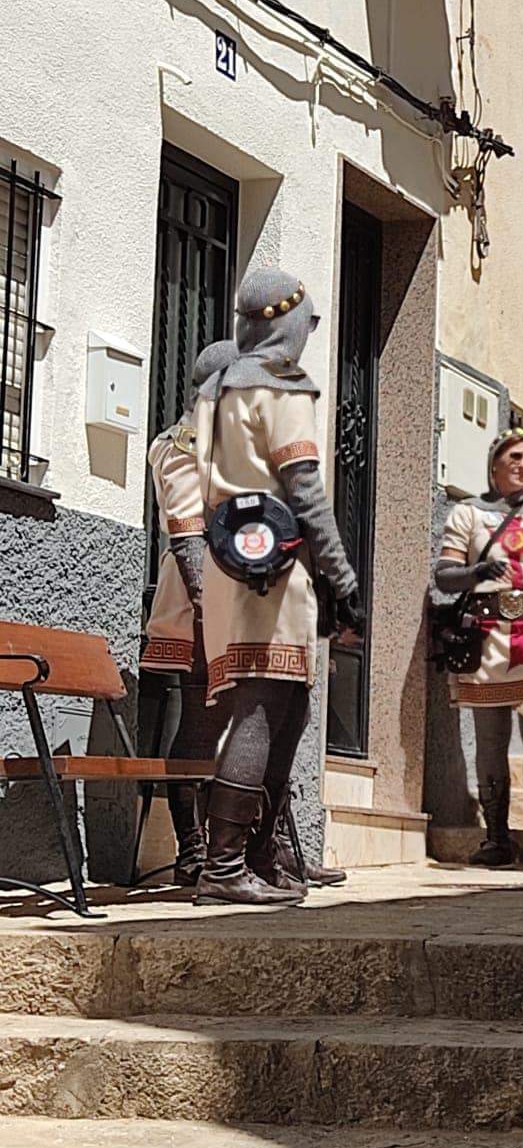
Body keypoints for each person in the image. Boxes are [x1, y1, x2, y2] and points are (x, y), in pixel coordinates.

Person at [193, 268, 363, 906]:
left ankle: (259, 857)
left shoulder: (217, 387)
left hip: (232, 565)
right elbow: (307, 493)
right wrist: (343, 579)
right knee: (264, 710)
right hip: (275, 572)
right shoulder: (281, 387)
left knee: (284, 709)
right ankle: (226, 865)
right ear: (290, 321)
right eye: (310, 323)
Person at [434, 428, 523, 869]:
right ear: (494, 464)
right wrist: (478, 572)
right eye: (514, 457)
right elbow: (445, 576)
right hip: (487, 639)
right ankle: (496, 838)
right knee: (490, 742)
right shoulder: (467, 514)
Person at [140, 339, 235, 884]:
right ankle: (193, 850)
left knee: (259, 725)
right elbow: (186, 534)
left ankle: (264, 848)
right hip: (194, 613)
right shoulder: (182, 443)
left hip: (246, 608)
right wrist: (210, 603)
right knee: (198, 732)